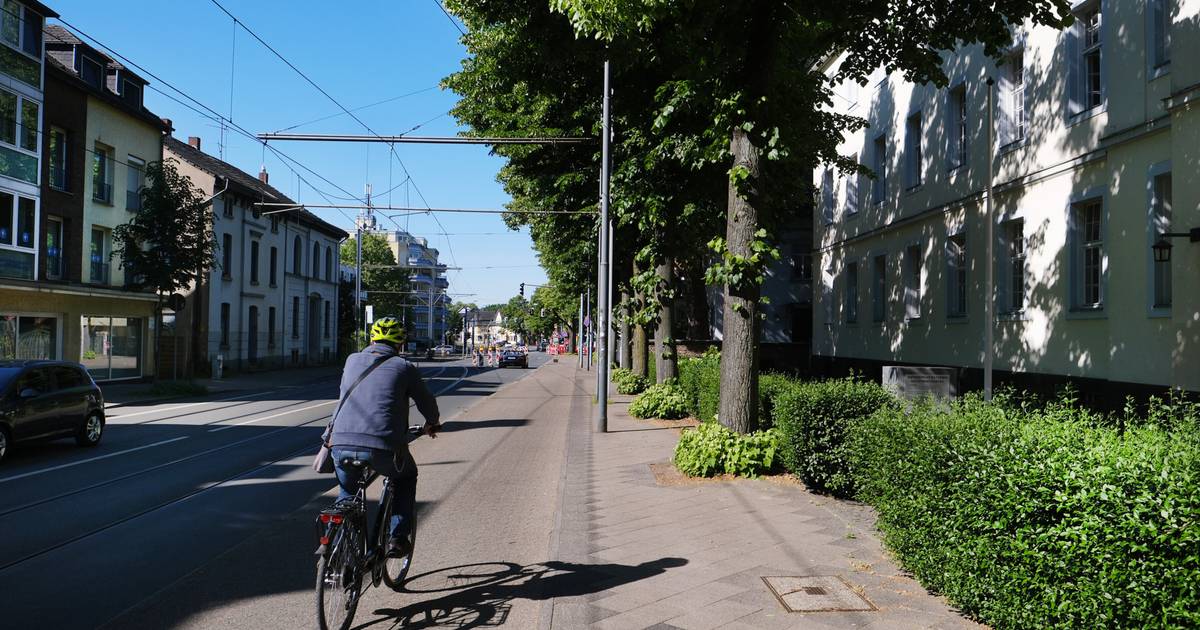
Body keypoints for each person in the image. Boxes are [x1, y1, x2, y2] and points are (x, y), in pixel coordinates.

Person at [322, 316, 441, 557]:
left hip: (340, 442)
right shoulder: (404, 367)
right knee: (405, 477)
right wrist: (432, 423)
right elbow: (425, 401)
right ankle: (397, 538)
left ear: (372, 338)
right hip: (383, 447)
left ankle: (345, 553)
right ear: (400, 344)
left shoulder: (352, 359)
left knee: (347, 492)